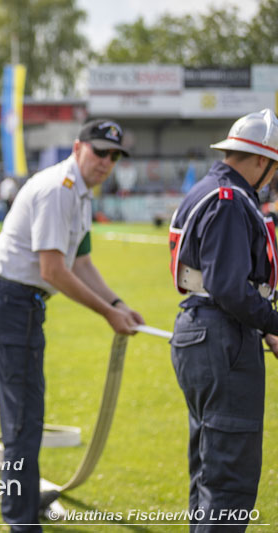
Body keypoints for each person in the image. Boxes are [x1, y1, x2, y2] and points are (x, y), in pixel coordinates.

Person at [0, 119, 144, 531]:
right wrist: (108, 313)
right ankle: (20, 518)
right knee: (22, 417)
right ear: (77, 147)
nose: (107, 161)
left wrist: (118, 302)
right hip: (12, 299)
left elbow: (82, 263)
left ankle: (24, 503)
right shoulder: (59, 188)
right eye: (100, 151)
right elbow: (53, 270)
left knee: (28, 413)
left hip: (25, 301)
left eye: (115, 156)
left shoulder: (82, 193)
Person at [168, 108, 278, 532]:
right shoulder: (230, 200)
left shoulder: (208, 189)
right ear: (260, 160)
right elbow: (231, 288)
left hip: (201, 330)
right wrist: (273, 321)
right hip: (223, 336)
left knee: (210, 471)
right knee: (230, 479)